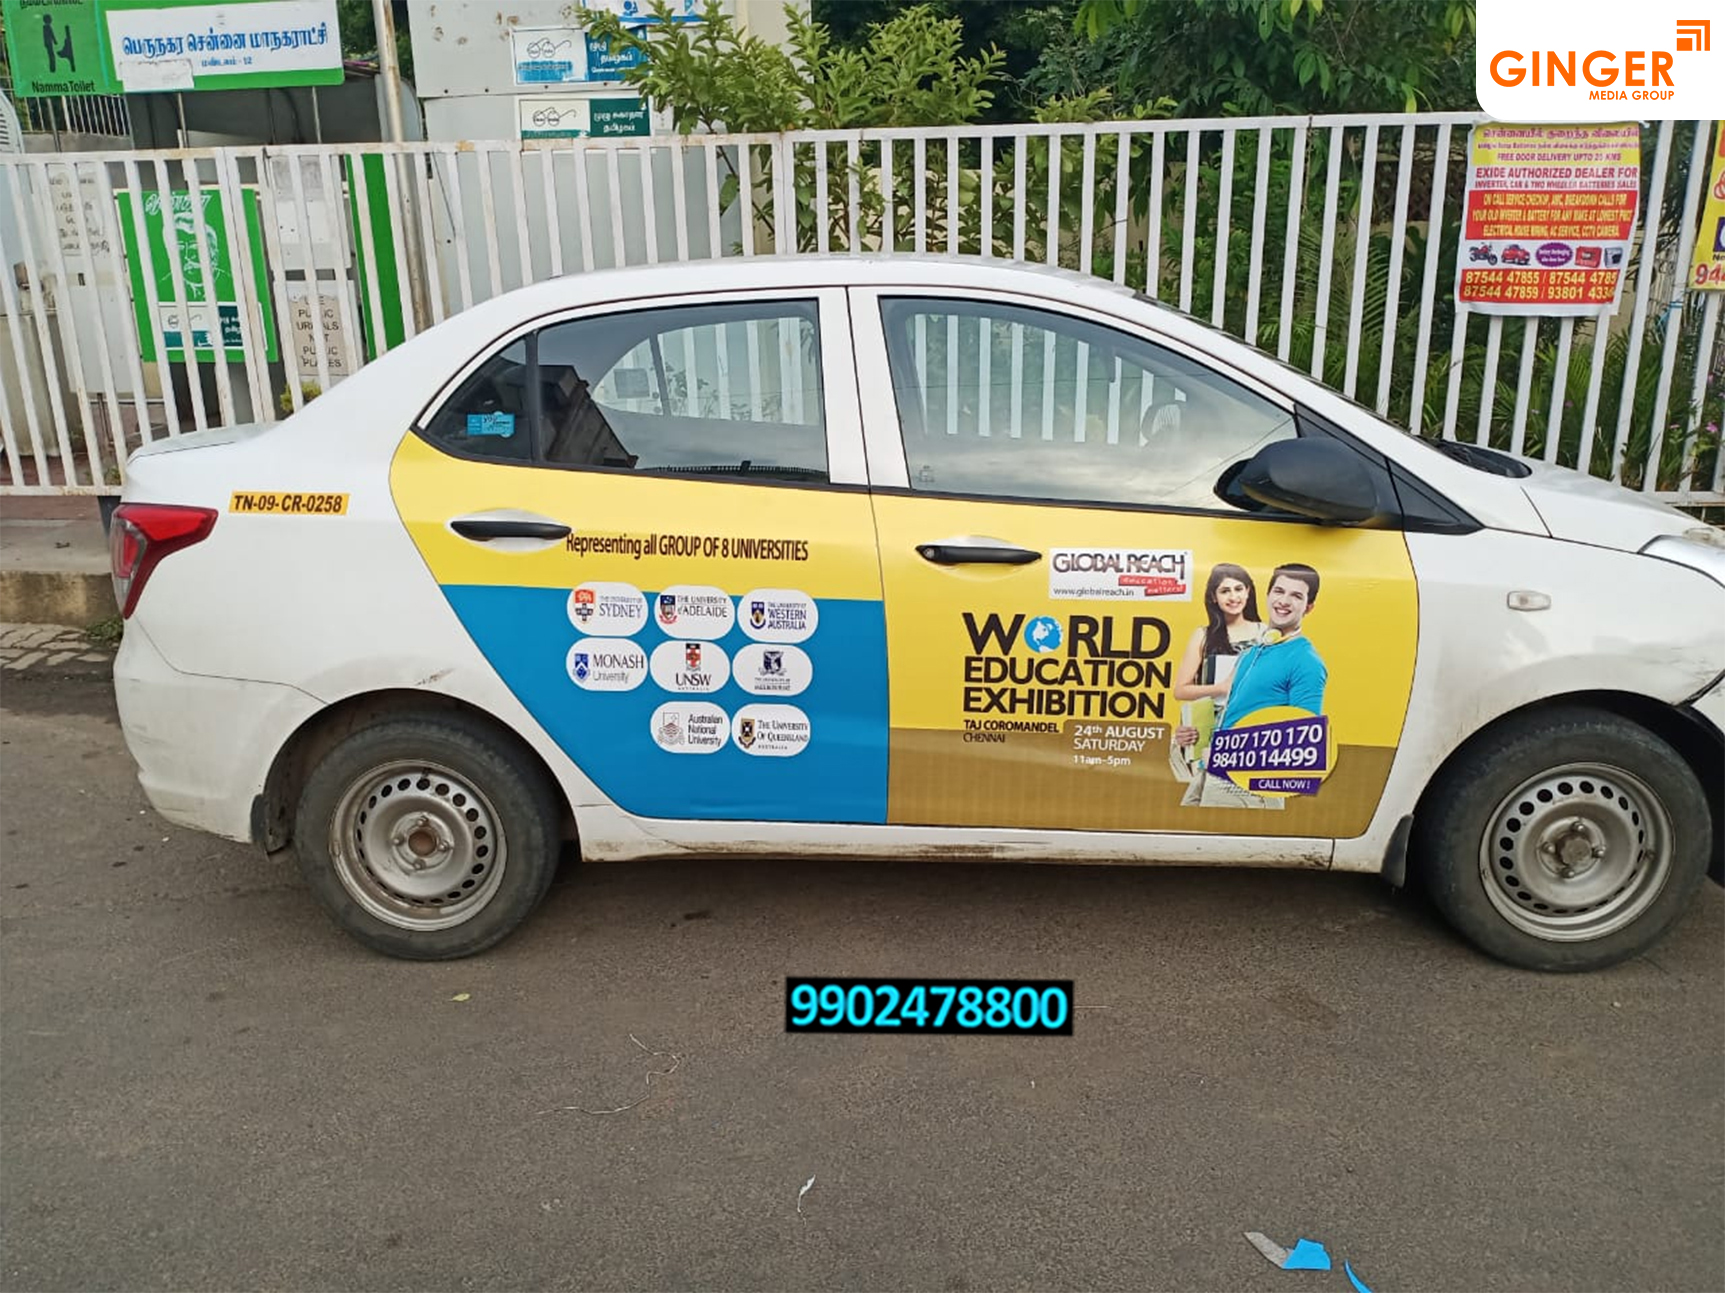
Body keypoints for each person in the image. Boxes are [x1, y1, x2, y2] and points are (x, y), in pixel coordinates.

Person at [1175, 563, 1327, 810]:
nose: (1284, 601)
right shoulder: (1251, 654)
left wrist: (1231, 755)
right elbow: (1231, 714)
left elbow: (1302, 744)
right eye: (1279, 591)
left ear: (1309, 607)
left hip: (1246, 782)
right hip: (1210, 770)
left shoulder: (1306, 660)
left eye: (1296, 595)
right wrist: (1192, 735)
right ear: (1268, 596)